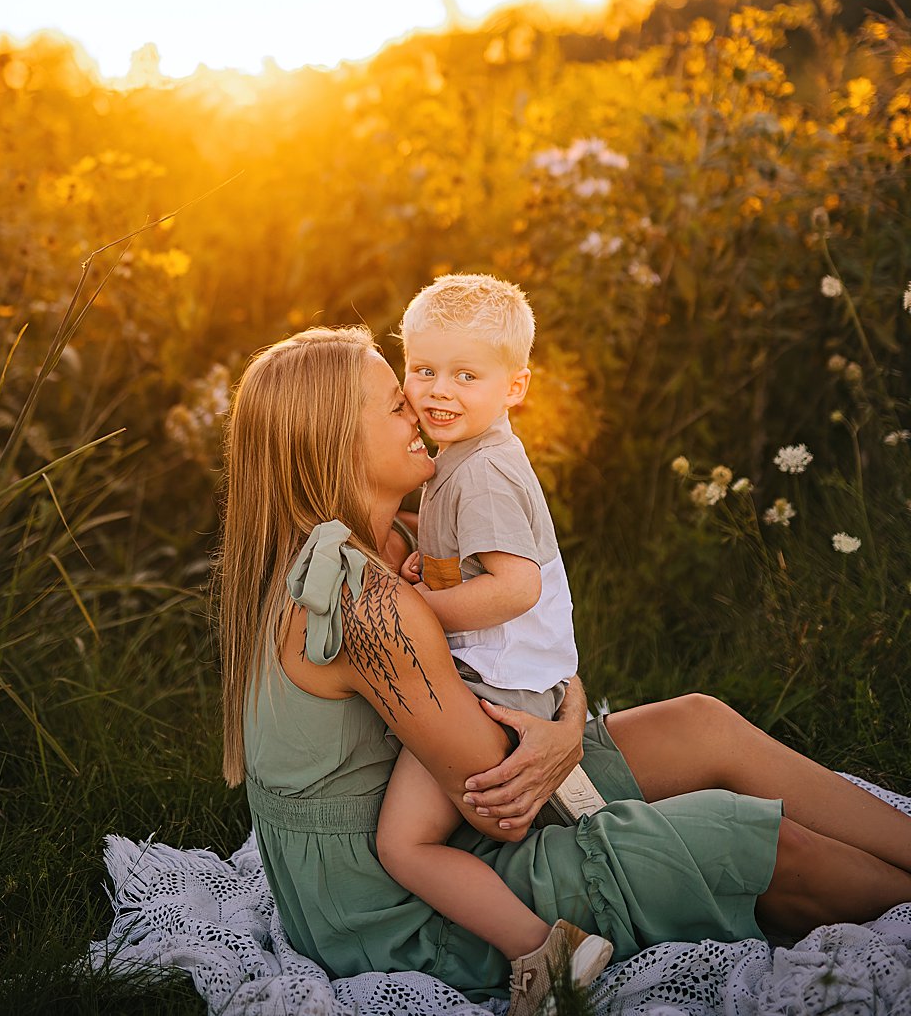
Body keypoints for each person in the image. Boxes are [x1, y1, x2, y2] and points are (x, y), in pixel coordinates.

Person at [216, 324, 911, 1007]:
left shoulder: (396, 540)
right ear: (334, 439)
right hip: (401, 909)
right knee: (752, 838)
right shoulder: (362, 601)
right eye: (397, 404)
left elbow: (515, 649)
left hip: (443, 810)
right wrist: (569, 726)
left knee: (702, 724)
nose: (420, 409)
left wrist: (567, 711)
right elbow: (500, 807)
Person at [375, 275, 610, 1007]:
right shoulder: (461, 455)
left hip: (502, 683)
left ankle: (548, 949)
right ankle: (571, 807)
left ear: (516, 386)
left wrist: (417, 602)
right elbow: (475, 564)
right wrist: (431, 565)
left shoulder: (480, 473)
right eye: (424, 370)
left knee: (403, 842)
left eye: (466, 375)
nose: (439, 391)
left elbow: (514, 589)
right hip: (510, 670)